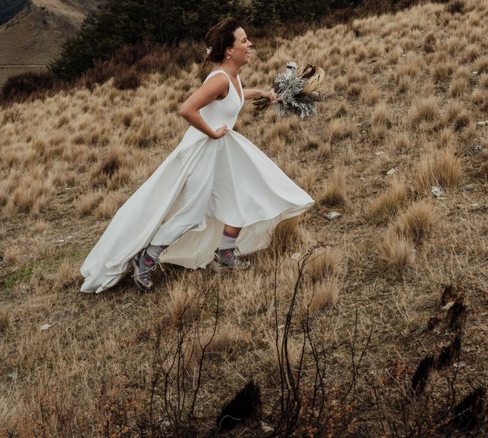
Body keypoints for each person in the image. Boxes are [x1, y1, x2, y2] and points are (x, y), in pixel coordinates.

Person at [79, 18, 315, 293]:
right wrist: (212, 133)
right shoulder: (219, 78)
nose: (250, 44)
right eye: (244, 41)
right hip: (204, 152)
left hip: (221, 151)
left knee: (242, 194)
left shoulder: (232, 76)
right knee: (192, 213)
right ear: (229, 50)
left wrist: (260, 93)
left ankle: (225, 253)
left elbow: (235, 96)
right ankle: (147, 258)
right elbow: (187, 109)